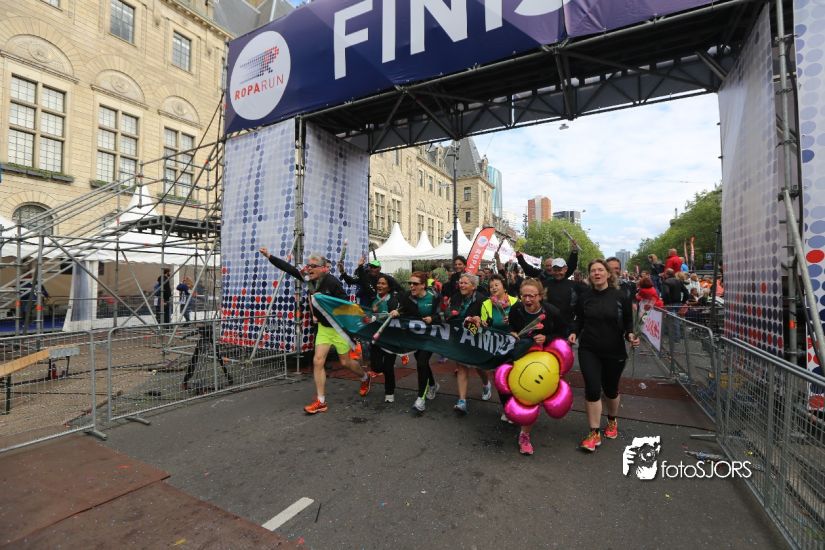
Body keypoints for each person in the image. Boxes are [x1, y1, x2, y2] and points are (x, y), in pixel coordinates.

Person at [259, 247, 371, 414]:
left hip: (337, 329)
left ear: (323, 268)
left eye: (313, 266)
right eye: (308, 265)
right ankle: (321, 401)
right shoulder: (308, 279)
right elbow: (289, 269)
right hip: (324, 329)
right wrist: (269, 256)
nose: (309, 269)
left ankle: (365, 377)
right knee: (318, 361)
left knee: (345, 362)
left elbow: (346, 305)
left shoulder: (332, 282)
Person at [569, 259, 640, 452]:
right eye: (593, 271)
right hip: (588, 349)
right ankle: (594, 433)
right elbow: (578, 320)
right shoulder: (585, 297)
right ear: (590, 275)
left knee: (610, 390)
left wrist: (630, 336)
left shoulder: (621, 296)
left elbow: (628, 323)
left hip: (614, 350)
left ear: (608, 274)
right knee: (592, 389)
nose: (597, 273)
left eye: (600, 270)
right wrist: (574, 332)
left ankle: (612, 420)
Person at [506, 278, 567, 456]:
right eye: (524, 296)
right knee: (509, 386)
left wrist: (547, 338)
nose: (527, 299)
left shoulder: (552, 312)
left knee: (531, 392)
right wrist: (512, 332)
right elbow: (511, 326)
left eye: (532, 296)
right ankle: (513, 412)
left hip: (542, 358)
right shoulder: (516, 309)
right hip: (520, 355)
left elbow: (563, 333)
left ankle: (524, 435)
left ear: (540, 296)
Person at [396, 271, 441, 413]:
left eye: (415, 283)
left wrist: (432, 318)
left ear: (423, 285)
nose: (411, 286)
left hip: (431, 337)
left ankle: (420, 399)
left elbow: (442, 315)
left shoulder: (434, 297)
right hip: (415, 337)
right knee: (423, 363)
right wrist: (397, 312)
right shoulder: (407, 297)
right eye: (410, 283)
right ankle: (432, 385)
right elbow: (403, 310)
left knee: (421, 362)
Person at [445, 273, 485, 414]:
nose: (461, 285)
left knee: (478, 366)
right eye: (460, 283)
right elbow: (447, 314)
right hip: (460, 338)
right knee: (461, 367)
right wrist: (450, 314)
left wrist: (478, 319)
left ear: (473, 286)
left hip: (476, 338)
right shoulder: (456, 297)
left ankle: (486, 384)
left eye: (465, 283)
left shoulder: (482, 299)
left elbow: (486, 321)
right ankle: (462, 401)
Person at [369, 275, 401, 403]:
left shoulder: (393, 301)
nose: (380, 286)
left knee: (388, 367)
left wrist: (397, 313)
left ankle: (389, 392)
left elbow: (400, 317)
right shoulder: (372, 298)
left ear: (389, 287)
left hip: (390, 339)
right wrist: (372, 312)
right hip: (375, 338)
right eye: (378, 283)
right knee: (376, 367)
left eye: (383, 284)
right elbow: (366, 316)